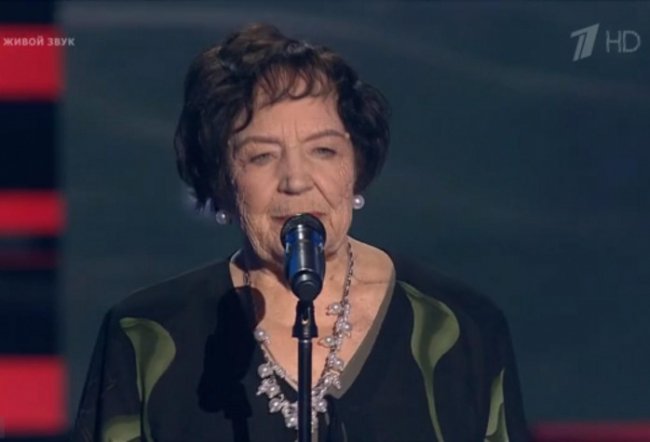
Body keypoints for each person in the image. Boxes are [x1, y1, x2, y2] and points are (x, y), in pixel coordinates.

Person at [73, 23, 529, 442]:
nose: (296, 180)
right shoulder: (145, 334)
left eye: (323, 150)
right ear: (221, 180)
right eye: (262, 156)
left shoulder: (461, 325)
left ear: (357, 165)